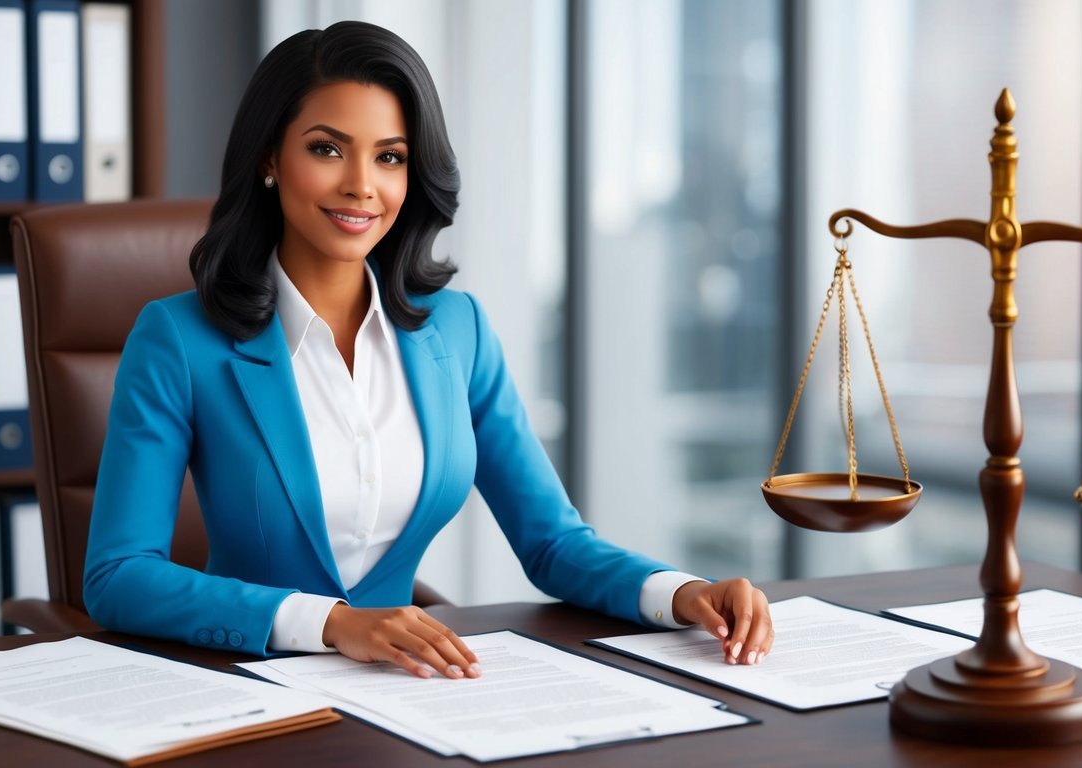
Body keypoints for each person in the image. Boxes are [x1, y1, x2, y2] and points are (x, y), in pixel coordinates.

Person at [84, 20, 773, 680]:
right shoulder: (177, 339)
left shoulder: (457, 331)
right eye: (327, 149)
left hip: (404, 687)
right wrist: (329, 623)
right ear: (270, 156)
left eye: (389, 157)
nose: (361, 184)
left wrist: (682, 594)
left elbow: (552, 543)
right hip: (250, 686)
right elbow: (119, 575)